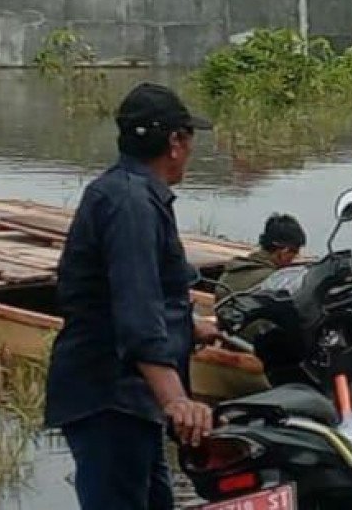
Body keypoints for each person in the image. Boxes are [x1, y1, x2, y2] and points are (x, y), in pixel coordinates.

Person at [44, 82, 220, 510]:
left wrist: (188, 327)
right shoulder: (130, 203)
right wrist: (176, 399)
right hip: (110, 395)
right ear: (176, 143)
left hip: (130, 400)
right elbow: (135, 308)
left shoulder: (129, 192)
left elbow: (138, 295)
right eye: (189, 137)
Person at [214, 213, 306, 302]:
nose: (295, 257)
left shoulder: (233, 268)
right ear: (284, 251)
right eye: (295, 252)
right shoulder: (272, 280)